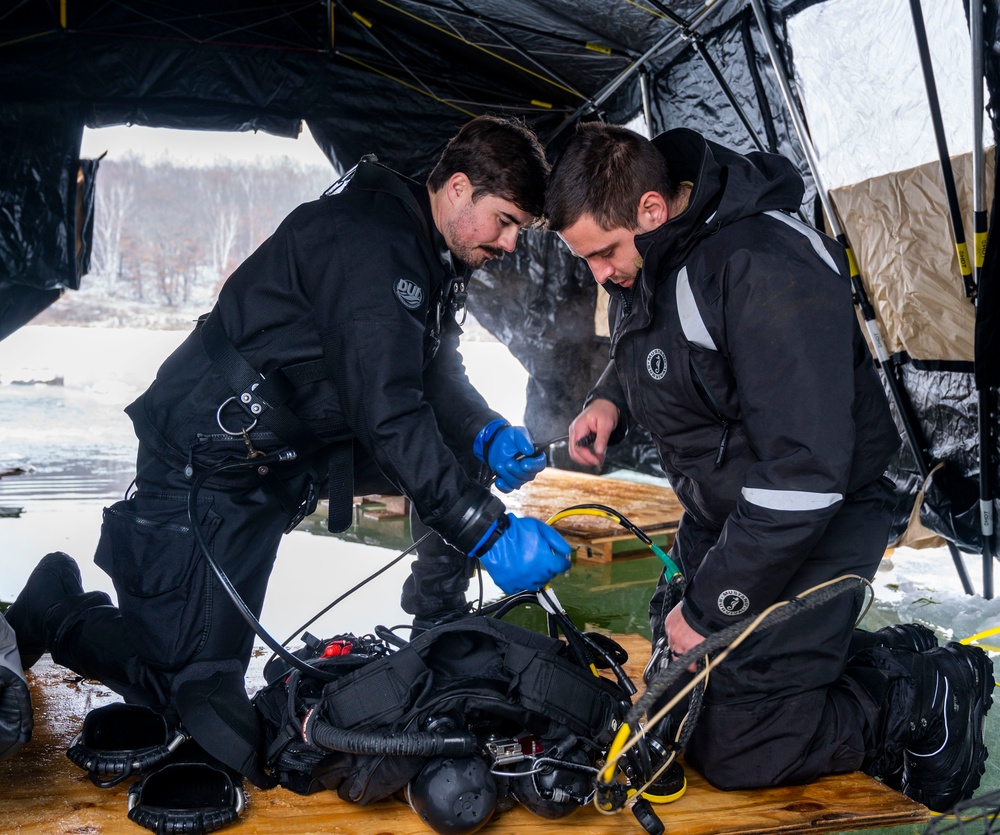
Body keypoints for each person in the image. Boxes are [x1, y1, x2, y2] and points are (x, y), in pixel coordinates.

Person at [5, 115, 572, 785]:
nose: (508, 243)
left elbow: (434, 371)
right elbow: (387, 411)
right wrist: (488, 531)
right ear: (455, 188)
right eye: (504, 221)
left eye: (518, 231)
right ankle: (58, 609)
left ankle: (437, 616)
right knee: (197, 700)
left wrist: (484, 429)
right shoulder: (370, 244)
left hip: (282, 457)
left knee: (457, 454)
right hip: (206, 457)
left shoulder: (427, 250)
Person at [545, 122, 993, 812]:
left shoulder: (763, 264)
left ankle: (918, 689)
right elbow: (659, 341)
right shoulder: (657, 250)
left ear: (653, 209)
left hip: (820, 510)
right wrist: (609, 399)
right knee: (674, 701)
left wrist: (712, 602)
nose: (599, 274)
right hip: (731, 506)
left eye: (602, 254)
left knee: (739, 742)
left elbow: (805, 473)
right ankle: (831, 656)